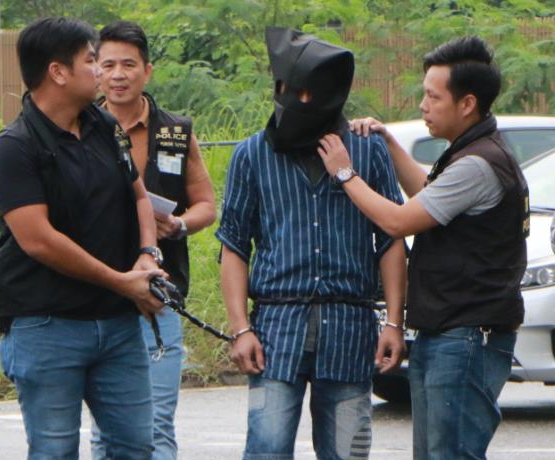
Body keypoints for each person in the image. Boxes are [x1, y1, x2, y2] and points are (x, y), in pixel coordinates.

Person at [317, 36, 529, 459]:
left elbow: (398, 220)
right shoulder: (470, 152)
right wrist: (388, 141)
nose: (423, 105)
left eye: (433, 97)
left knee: (450, 453)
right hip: (450, 331)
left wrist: (344, 174)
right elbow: (428, 196)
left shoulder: (479, 164)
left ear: (467, 104)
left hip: (467, 335)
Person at [217, 27, 406, 460]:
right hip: (275, 332)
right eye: (290, 90)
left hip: (349, 331)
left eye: (307, 93)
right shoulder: (251, 156)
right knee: (266, 450)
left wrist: (394, 322)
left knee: (347, 454)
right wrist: (240, 328)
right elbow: (234, 246)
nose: (298, 101)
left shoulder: (367, 151)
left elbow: (390, 239)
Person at [0, 17, 166, 459]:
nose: (101, 71)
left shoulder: (103, 125)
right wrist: (120, 281)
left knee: (135, 447)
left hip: (118, 322)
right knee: (54, 450)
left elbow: (139, 196)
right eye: (91, 60)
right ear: (58, 72)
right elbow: (39, 240)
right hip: (46, 324)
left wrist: (147, 253)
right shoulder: (14, 147)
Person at [90, 21, 216, 460]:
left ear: (147, 70)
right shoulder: (81, 128)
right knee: (106, 431)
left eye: (128, 65)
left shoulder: (174, 132)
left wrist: (178, 225)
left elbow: (206, 205)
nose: (118, 75)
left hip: (159, 295)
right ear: (95, 71)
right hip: (100, 295)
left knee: (156, 424)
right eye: (108, 65)